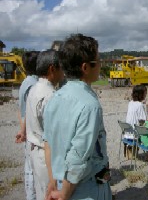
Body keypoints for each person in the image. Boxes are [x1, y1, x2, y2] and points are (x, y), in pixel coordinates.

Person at [43, 33, 112, 200]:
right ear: (85, 68)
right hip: (85, 189)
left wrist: (53, 181)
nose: (100, 65)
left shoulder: (55, 98)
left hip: (61, 182)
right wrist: (65, 195)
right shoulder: (90, 105)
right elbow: (78, 158)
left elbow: (48, 143)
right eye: (98, 61)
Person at [25, 50, 64, 200]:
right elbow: (54, 135)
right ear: (52, 69)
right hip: (46, 155)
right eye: (61, 68)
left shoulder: (34, 88)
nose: (64, 73)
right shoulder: (50, 96)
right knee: (50, 194)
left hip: (34, 150)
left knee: (41, 192)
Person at [15, 51, 39, 200]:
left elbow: (20, 110)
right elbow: (29, 112)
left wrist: (21, 129)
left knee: (29, 167)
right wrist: (23, 131)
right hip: (32, 132)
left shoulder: (25, 82)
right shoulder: (33, 84)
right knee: (33, 170)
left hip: (27, 130)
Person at [124, 85, 147, 158]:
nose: (146, 94)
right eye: (145, 93)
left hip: (127, 132)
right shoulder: (140, 105)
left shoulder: (130, 103)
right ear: (141, 94)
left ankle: (130, 151)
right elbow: (143, 121)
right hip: (134, 134)